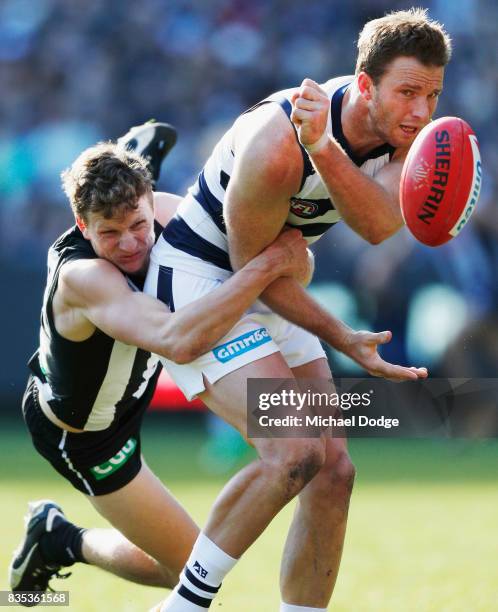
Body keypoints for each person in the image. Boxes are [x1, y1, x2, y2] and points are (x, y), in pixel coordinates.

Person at [146, 8, 451, 612]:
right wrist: (341, 334)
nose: (421, 112)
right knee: (294, 451)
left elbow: (378, 223)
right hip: (204, 285)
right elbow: (249, 271)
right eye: (408, 93)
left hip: (269, 280)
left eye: (433, 95)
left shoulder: (399, 139)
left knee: (334, 470)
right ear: (365, 86)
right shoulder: (279, 142)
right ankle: (181, 607)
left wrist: (327, 149)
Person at [9, 122, 312, 602]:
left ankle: (134, 151)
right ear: (83, 225)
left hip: (126, 399)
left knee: (197, 562)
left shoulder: (161, 213)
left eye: (138, 225)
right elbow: (177, 341)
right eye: (110, 233)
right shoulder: (84, 277)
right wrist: (267, 265)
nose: (130, 244)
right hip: (83, 435)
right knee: (184, 568)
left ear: (150, 200)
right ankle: (60, 539)